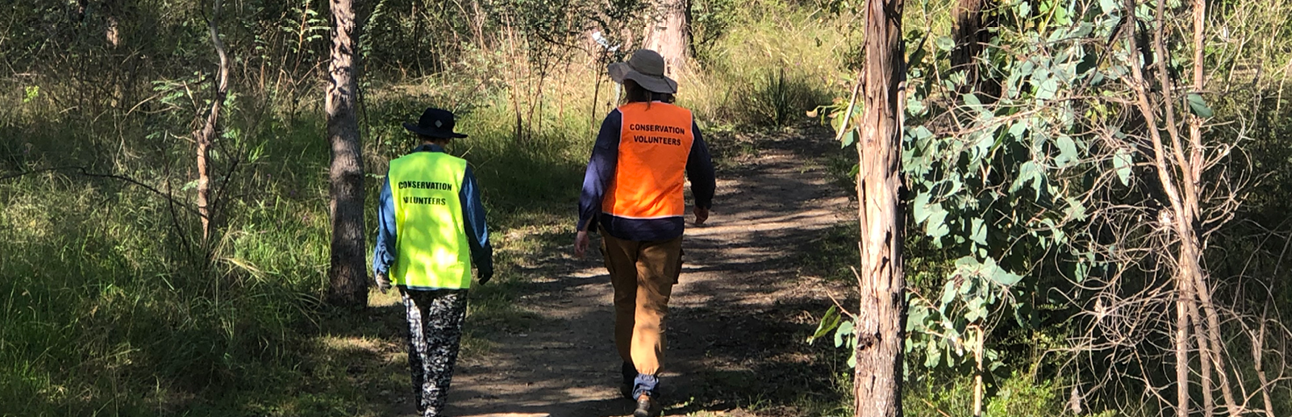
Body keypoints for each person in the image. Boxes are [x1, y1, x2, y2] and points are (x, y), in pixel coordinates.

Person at [574, 49, 716, 417]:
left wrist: (585, 222)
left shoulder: (618, 119)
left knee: (625, 301)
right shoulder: (684, 120)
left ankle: (631, 372)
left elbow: (598, 171)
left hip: (619, 225)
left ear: (631, 84)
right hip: (664, 228)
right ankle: (646, 389)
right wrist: (702, 203)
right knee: (653, 308)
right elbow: (701, 167)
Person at [373, 107, 493, 417]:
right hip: (450, 275)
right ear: (447, 140)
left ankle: (422, 406)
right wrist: (484, 258)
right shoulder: (459, 169)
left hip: (412, 273)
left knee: (418, 346)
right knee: (443, 347)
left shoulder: (398, 169)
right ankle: (432, 410)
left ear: (418, 135)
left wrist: (382, 262)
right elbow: (474, 221)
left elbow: (387, 222)